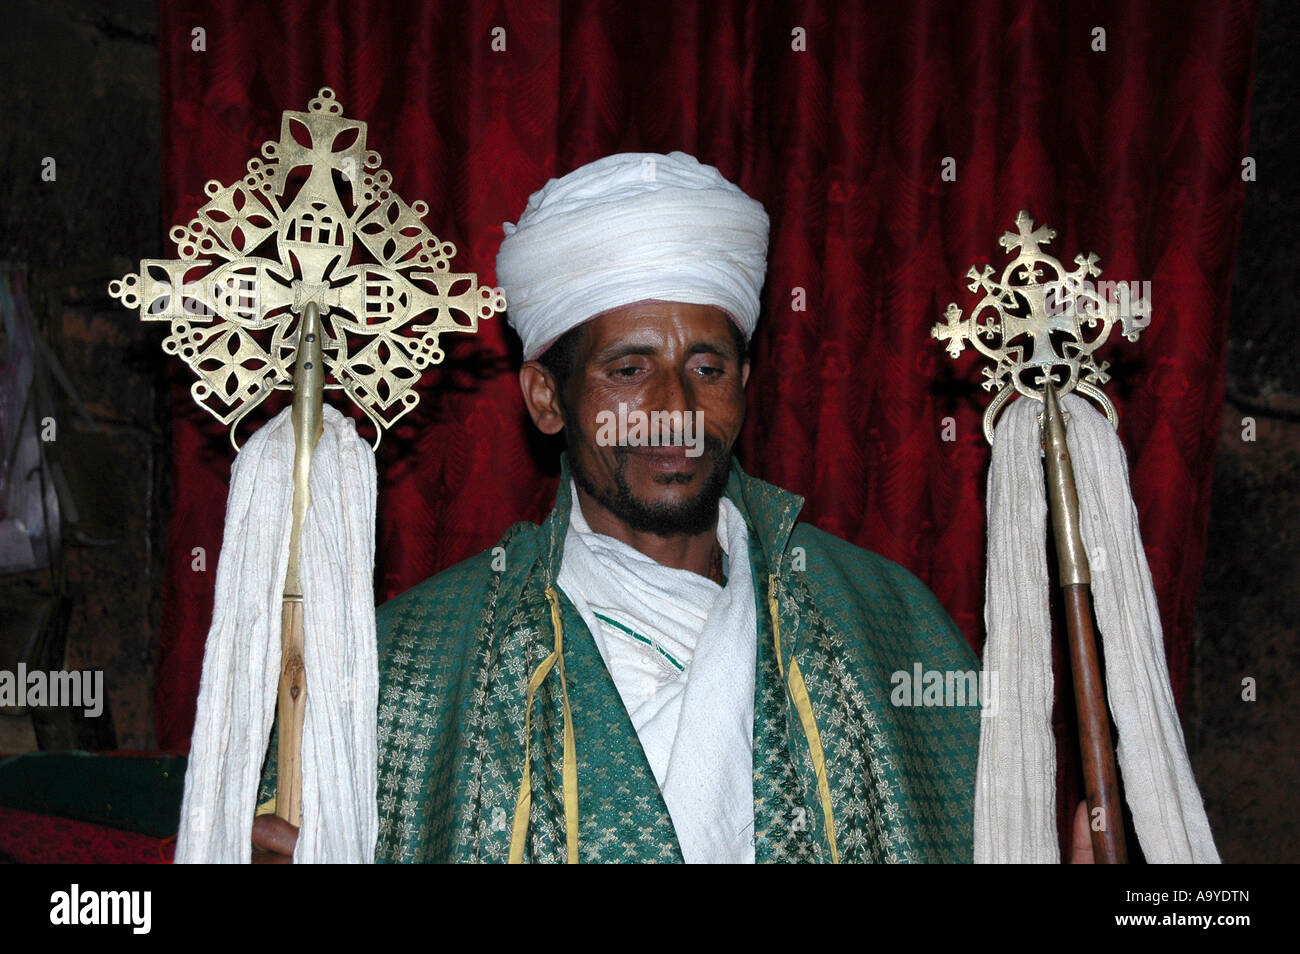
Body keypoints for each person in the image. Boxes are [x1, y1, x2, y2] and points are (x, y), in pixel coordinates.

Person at [253, 151, 1089, 863]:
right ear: (547, 397)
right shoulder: (414, 666)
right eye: (627, 368)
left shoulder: (886, 624)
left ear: (745, 386)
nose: (674, 407)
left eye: (707, 367)